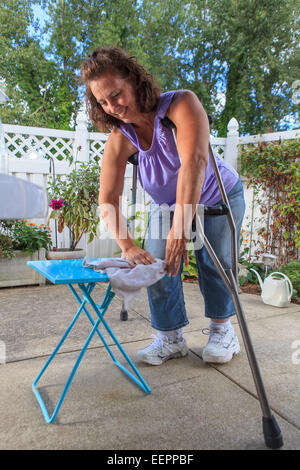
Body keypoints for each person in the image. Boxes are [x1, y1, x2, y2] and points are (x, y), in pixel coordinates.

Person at [80, 47, 246, 365]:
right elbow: (107, 199)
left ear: (134, 80)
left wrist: (180, 229)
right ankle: (169, 337)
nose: (113, 106)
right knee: (155, 267)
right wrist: (127, 246)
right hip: (165, 205)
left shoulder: (181, 104)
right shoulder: (120, 138)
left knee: (215, 266)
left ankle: (222, 331)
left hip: (217, 195)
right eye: (103, 101)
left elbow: (194, 164)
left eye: (116, 94)